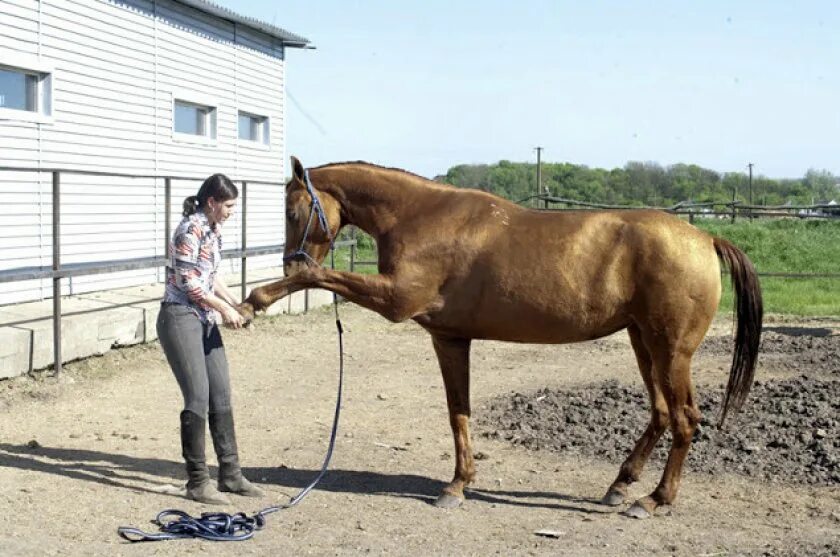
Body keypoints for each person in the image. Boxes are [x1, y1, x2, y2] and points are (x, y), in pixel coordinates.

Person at [156, 173, 263, 505]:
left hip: (203, 318)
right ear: (212, 202)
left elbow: (210, 278)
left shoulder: (214, 232)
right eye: (229, 205)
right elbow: (189, 283)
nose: (232, 211)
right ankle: (198, 482)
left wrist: (237, 306)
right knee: (198, 396)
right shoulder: (188, 231)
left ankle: (230, 476)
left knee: (221, 393)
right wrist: (223, 310)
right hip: (179, 316)